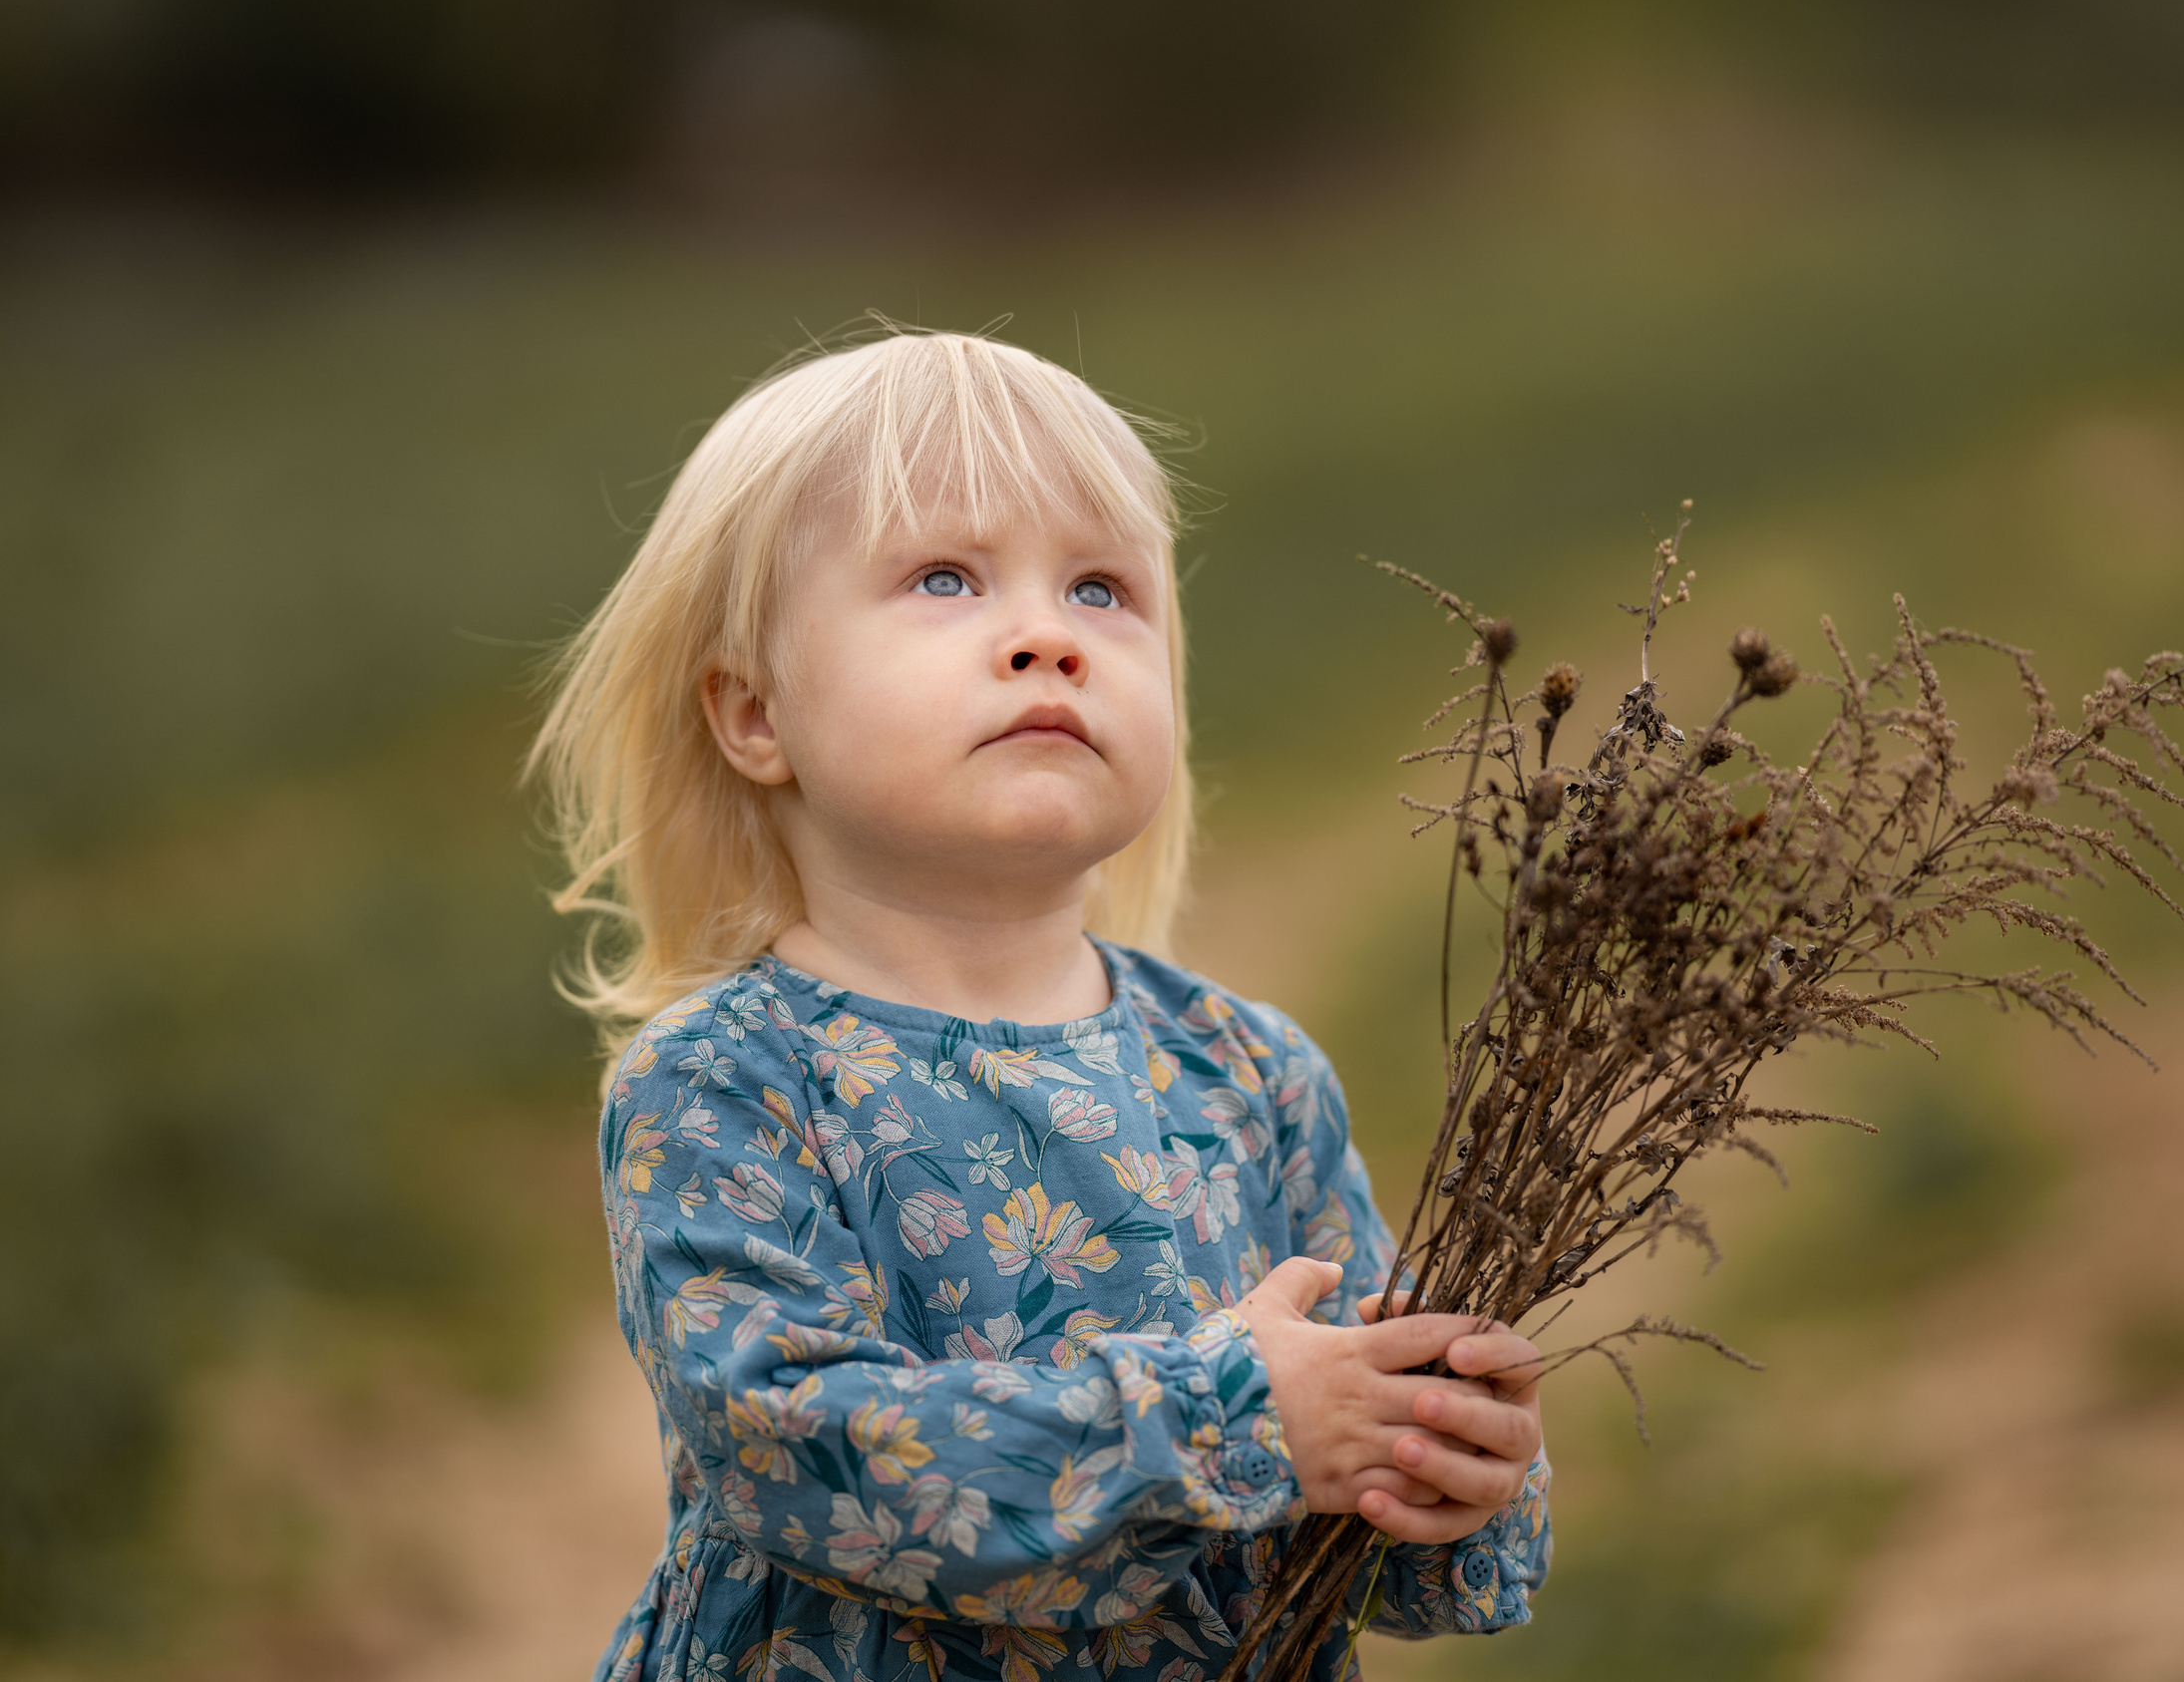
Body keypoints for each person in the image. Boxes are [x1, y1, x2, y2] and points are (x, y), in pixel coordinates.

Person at [530, 327, 1552, 1682]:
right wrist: (1237, 1417)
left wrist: (1444, 1473)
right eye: (945, 578)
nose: (1045, 638)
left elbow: (1349, 1500)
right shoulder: (725, 1079)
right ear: (753, 716)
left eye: (1103, 591)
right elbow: (791, 1445)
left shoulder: (1250, 1073)